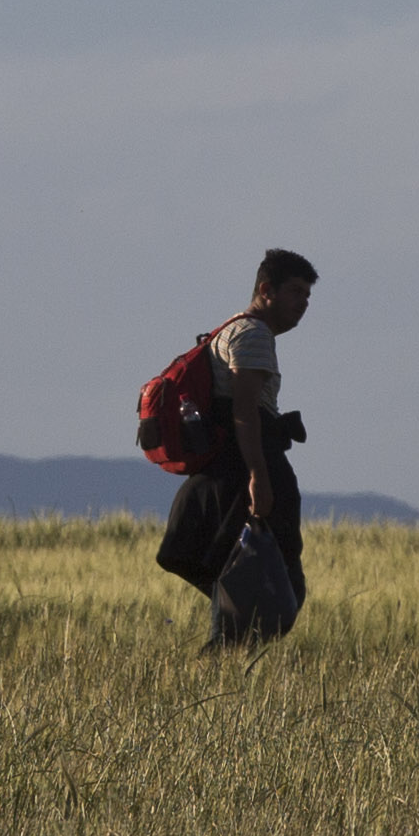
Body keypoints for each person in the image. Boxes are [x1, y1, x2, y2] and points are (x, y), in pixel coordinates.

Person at [155, 249, 318, 648]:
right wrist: (260, 479)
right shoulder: (254, 335)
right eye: (295, 292)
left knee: (248, 593)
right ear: (266, 290)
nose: (303, 304)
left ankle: (221, 670)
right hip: (241, 480)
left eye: (308, 296)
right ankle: (220, 668)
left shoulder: (231, 329)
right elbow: (245, 412)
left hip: (221, 479)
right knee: (278, 592)